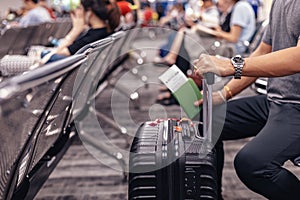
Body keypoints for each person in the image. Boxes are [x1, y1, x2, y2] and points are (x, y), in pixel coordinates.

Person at [193, 0, 300, 199]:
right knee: (208, 121)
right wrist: (224, 94)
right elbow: (262, 52)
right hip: (275, 101)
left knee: (252, 164)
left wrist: (232, 65)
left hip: (296, 107)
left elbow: (298, 57)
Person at [43, 0, 120, 61]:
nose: (77, 12)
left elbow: (57, 53)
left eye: (80, 8)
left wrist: (76, 30)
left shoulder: (92, 37)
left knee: (46, 55)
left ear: (89, 12)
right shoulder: (104, 31)